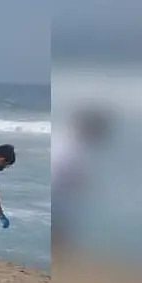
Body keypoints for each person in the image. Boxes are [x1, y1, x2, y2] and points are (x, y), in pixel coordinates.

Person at [51, 106, 111, 255]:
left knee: (62, 230)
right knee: (62, 230)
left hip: (62, 195)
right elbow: (67, 173)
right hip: (61, 195)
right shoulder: (72, 145)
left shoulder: (67, 141)